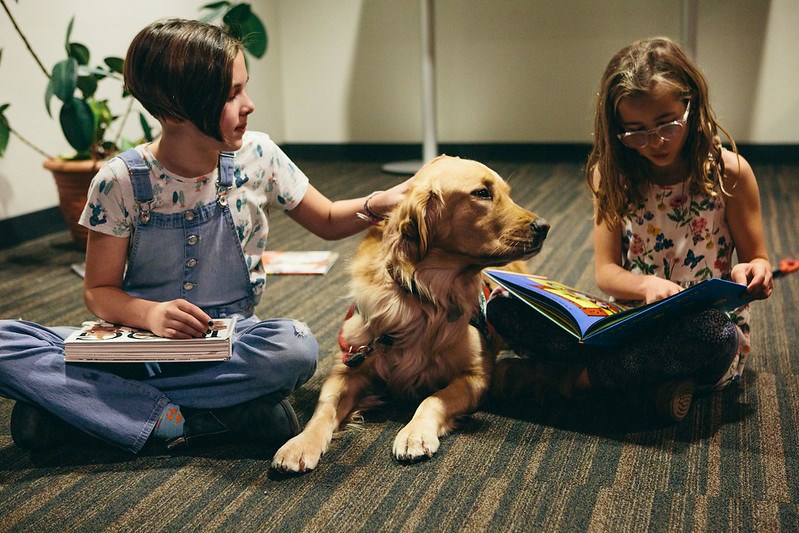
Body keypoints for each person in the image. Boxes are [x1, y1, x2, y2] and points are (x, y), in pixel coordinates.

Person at [0, 18, 410, 454]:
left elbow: (326, 218)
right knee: (6, 341)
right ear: (177, 109)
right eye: (232, 94)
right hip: (137, 350)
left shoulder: (259, 156)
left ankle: (103, 414)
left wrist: (376, 202)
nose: (249, 104)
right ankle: (195, 420)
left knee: (294, 347)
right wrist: (151, 316)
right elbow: (99, 291)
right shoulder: (118, 180)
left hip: (230, 344)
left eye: (244, 88)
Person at [486, 36, 773, 421]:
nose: (654, 142)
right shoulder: (612, 175)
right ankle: (643, 387)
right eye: (635, 131)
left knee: (713, 335)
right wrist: (647, 287)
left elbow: (756, 259)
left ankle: (574, 382)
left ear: (691, 106)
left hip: (702, 334)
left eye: (667, 125)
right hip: (630, 327)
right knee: (504, 307)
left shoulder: (729, 172)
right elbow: (606, 273)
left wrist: (751, 272)